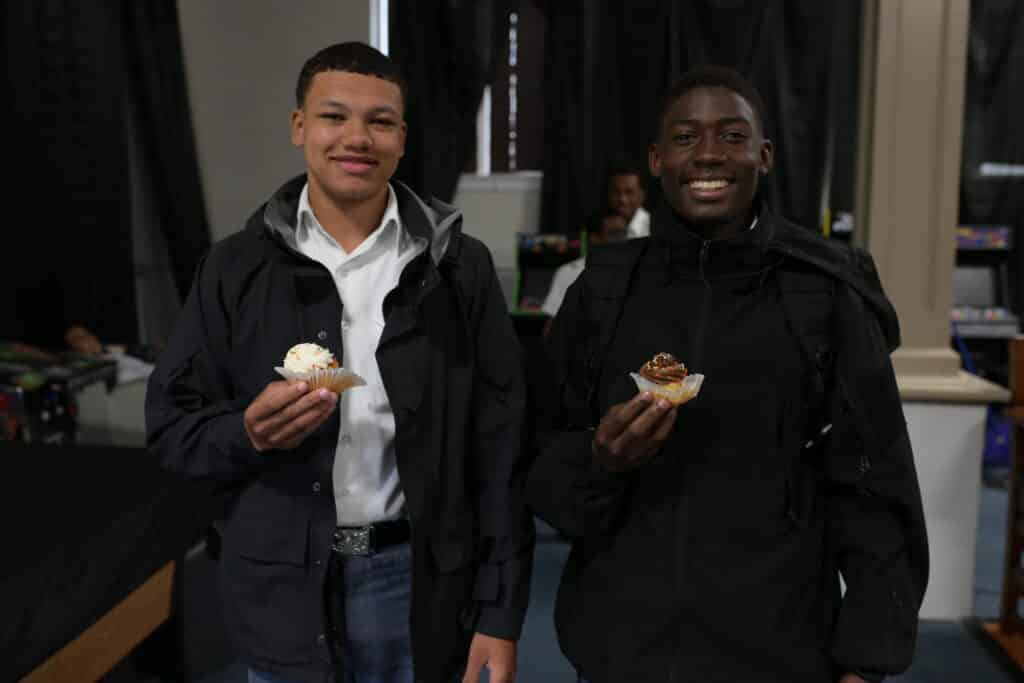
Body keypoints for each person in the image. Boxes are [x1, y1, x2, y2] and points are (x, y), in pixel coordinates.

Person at [526, 65, 927, 683]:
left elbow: (877, 485)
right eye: (685, 137)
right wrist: (601, 462)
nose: (709, 153)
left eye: (733, 136)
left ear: (764, 156)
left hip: (779, 647)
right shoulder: (603, 290)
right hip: (620, 645)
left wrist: (866, 662)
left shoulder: (824, 293)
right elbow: (541, 462)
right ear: (657, 160)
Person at [146, 42, 533, 683]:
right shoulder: (233, 268)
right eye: (333, 116)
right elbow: (171, 428)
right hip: (280, 590)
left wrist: (499, 611)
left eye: (380, 121)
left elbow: (501, 445)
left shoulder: (459, 269)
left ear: (402, 138)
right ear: (299, 126)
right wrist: (246, 432)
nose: (357, 137)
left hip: (420, 582)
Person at [541, 209, 628, 320]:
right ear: (595, 239)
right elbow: (553, 321)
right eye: (615, 234)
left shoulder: (635, 270)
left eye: (624, 233)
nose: (622, 240)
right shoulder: (568, 272)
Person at [606, 167, 650, 238]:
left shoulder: (655, 228)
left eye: (629, 192)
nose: (622, 199)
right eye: (616, 192)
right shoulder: (596, 226)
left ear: (642, 196)